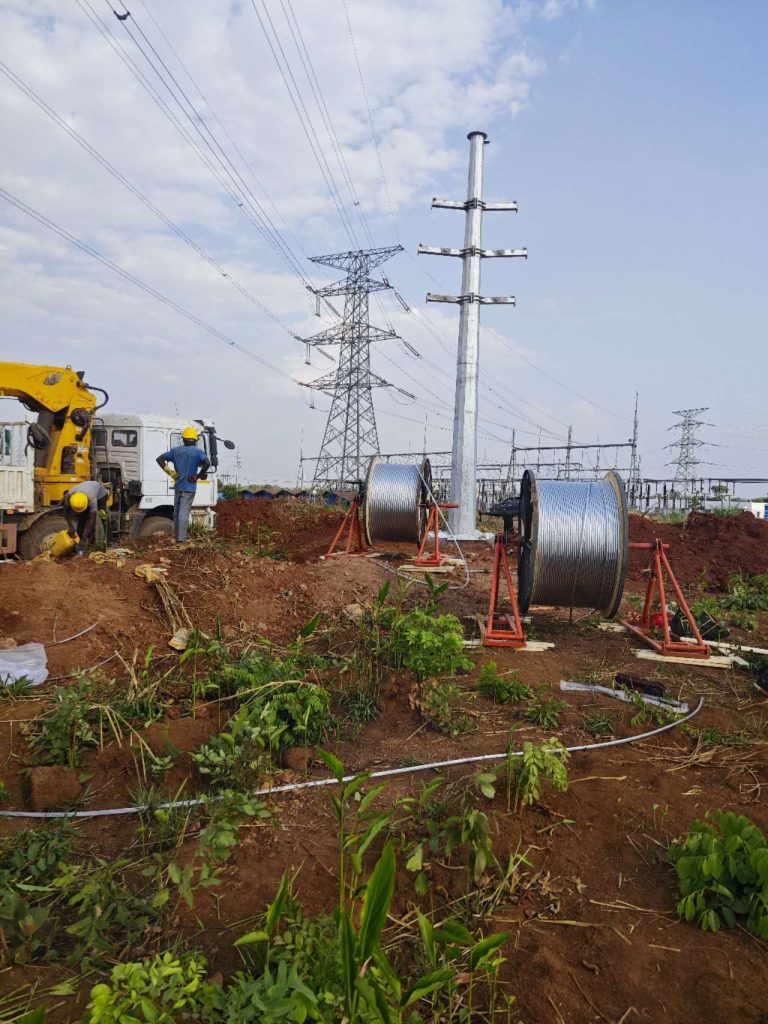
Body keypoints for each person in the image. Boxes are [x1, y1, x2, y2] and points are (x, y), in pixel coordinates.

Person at [156, 427, 210, 543]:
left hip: (178, 485)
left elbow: (159, 459)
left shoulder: (176, 451)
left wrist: (172, 473)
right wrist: (198, 476)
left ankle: (177, 536)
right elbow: (207, 463)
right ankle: (181, 539)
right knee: (183, 514)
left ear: (183, 439)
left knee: (176, 513)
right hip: (189, 487)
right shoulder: (198, 452)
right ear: (195, 440)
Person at [63, 480, 109, 554]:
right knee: (82, 517)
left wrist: (85, 538)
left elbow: (91, 520)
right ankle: (79, 543)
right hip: (86, 490)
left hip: (101, 495)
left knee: (102, 516)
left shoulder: (92, 499)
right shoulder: (70, 494)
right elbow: (64, 510)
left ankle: (107, 541)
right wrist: (71, 526)